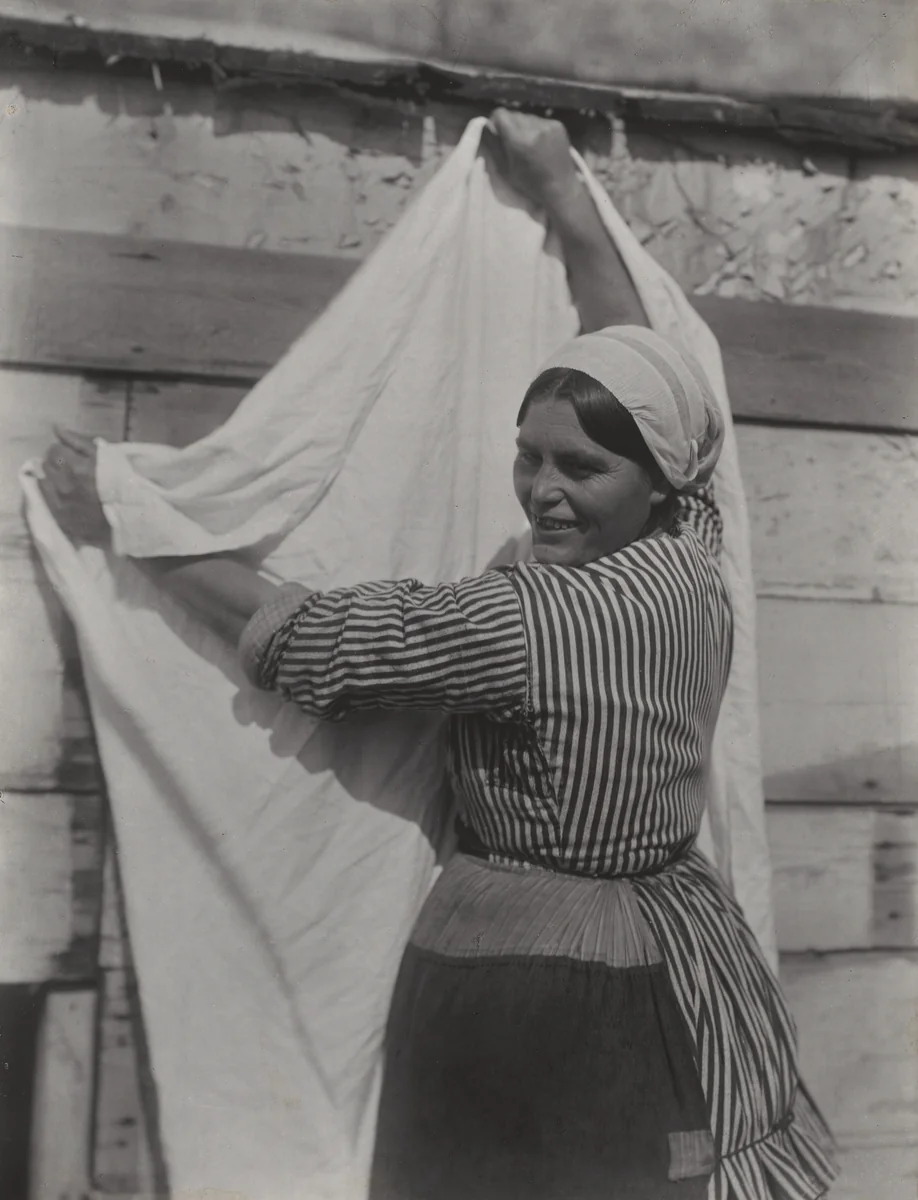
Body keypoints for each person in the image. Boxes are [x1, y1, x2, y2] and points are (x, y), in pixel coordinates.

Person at [40, 110, 836, 1200]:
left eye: (577, 471)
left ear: (652, 477)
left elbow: (312, 643)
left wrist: (134, 521)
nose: (543, 491)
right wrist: (567, 202)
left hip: (530, 980)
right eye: (526, 459)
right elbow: (638, 378)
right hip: (680, 948)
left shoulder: (535, 621)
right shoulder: (694, 554)